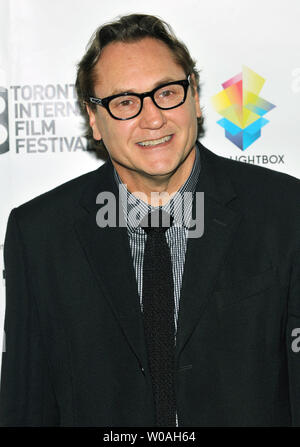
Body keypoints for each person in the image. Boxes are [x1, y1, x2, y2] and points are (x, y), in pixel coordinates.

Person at [0, 13, 299, 427]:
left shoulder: (286, 212)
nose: (153, 118)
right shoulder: (38, 235)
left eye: (167, 92)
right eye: (125, 102)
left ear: (194, 96)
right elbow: (26, 401)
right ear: (94, 119)